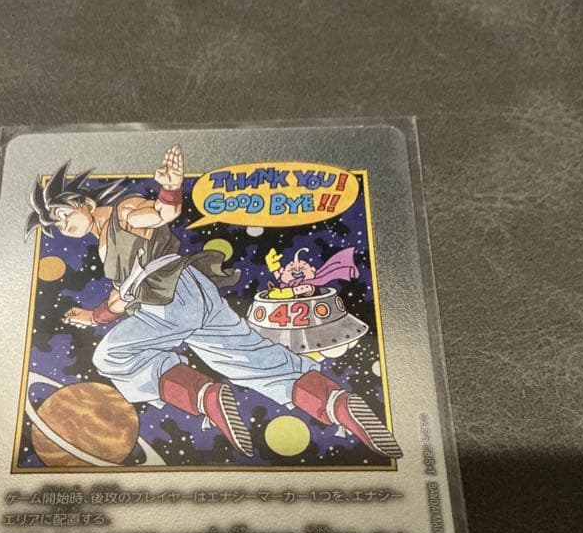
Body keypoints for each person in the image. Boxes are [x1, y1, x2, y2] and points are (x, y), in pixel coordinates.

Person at [25, 145, 401, 460]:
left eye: (62, 214)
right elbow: (123, 298)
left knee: (112, 356)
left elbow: (161, 214)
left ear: (84, 202)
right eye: (55, 226)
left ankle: (204, 395)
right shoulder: (105, 244)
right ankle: (336, 403)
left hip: (170, 299)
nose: (62, 226)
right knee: (252, 359)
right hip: (195, 292)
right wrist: (94, 316)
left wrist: (171, 190)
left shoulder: (123, 213)